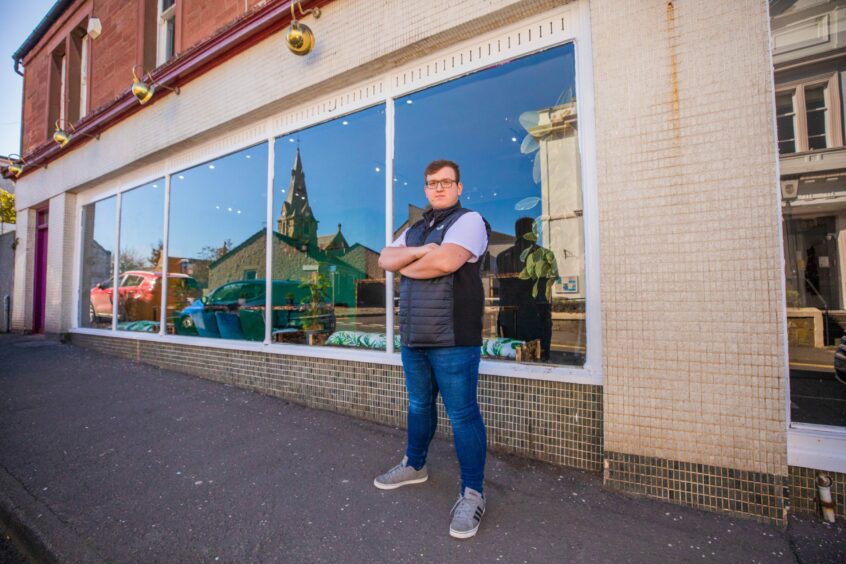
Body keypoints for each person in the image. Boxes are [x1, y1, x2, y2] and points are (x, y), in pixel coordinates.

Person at [374, 159, 490, 539]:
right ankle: (415, 465)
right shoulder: (415, 228)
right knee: (419, 406)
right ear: (425, 189)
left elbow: (445, 261)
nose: (438, 188)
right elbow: (384, 260)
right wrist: (424, 252)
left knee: (463, 415)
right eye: (431, 183)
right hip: (414, 337)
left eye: (446, 182)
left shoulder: (470, 220)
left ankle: (472, 493)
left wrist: (414, 259)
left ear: (458, 187)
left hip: (454, 338)